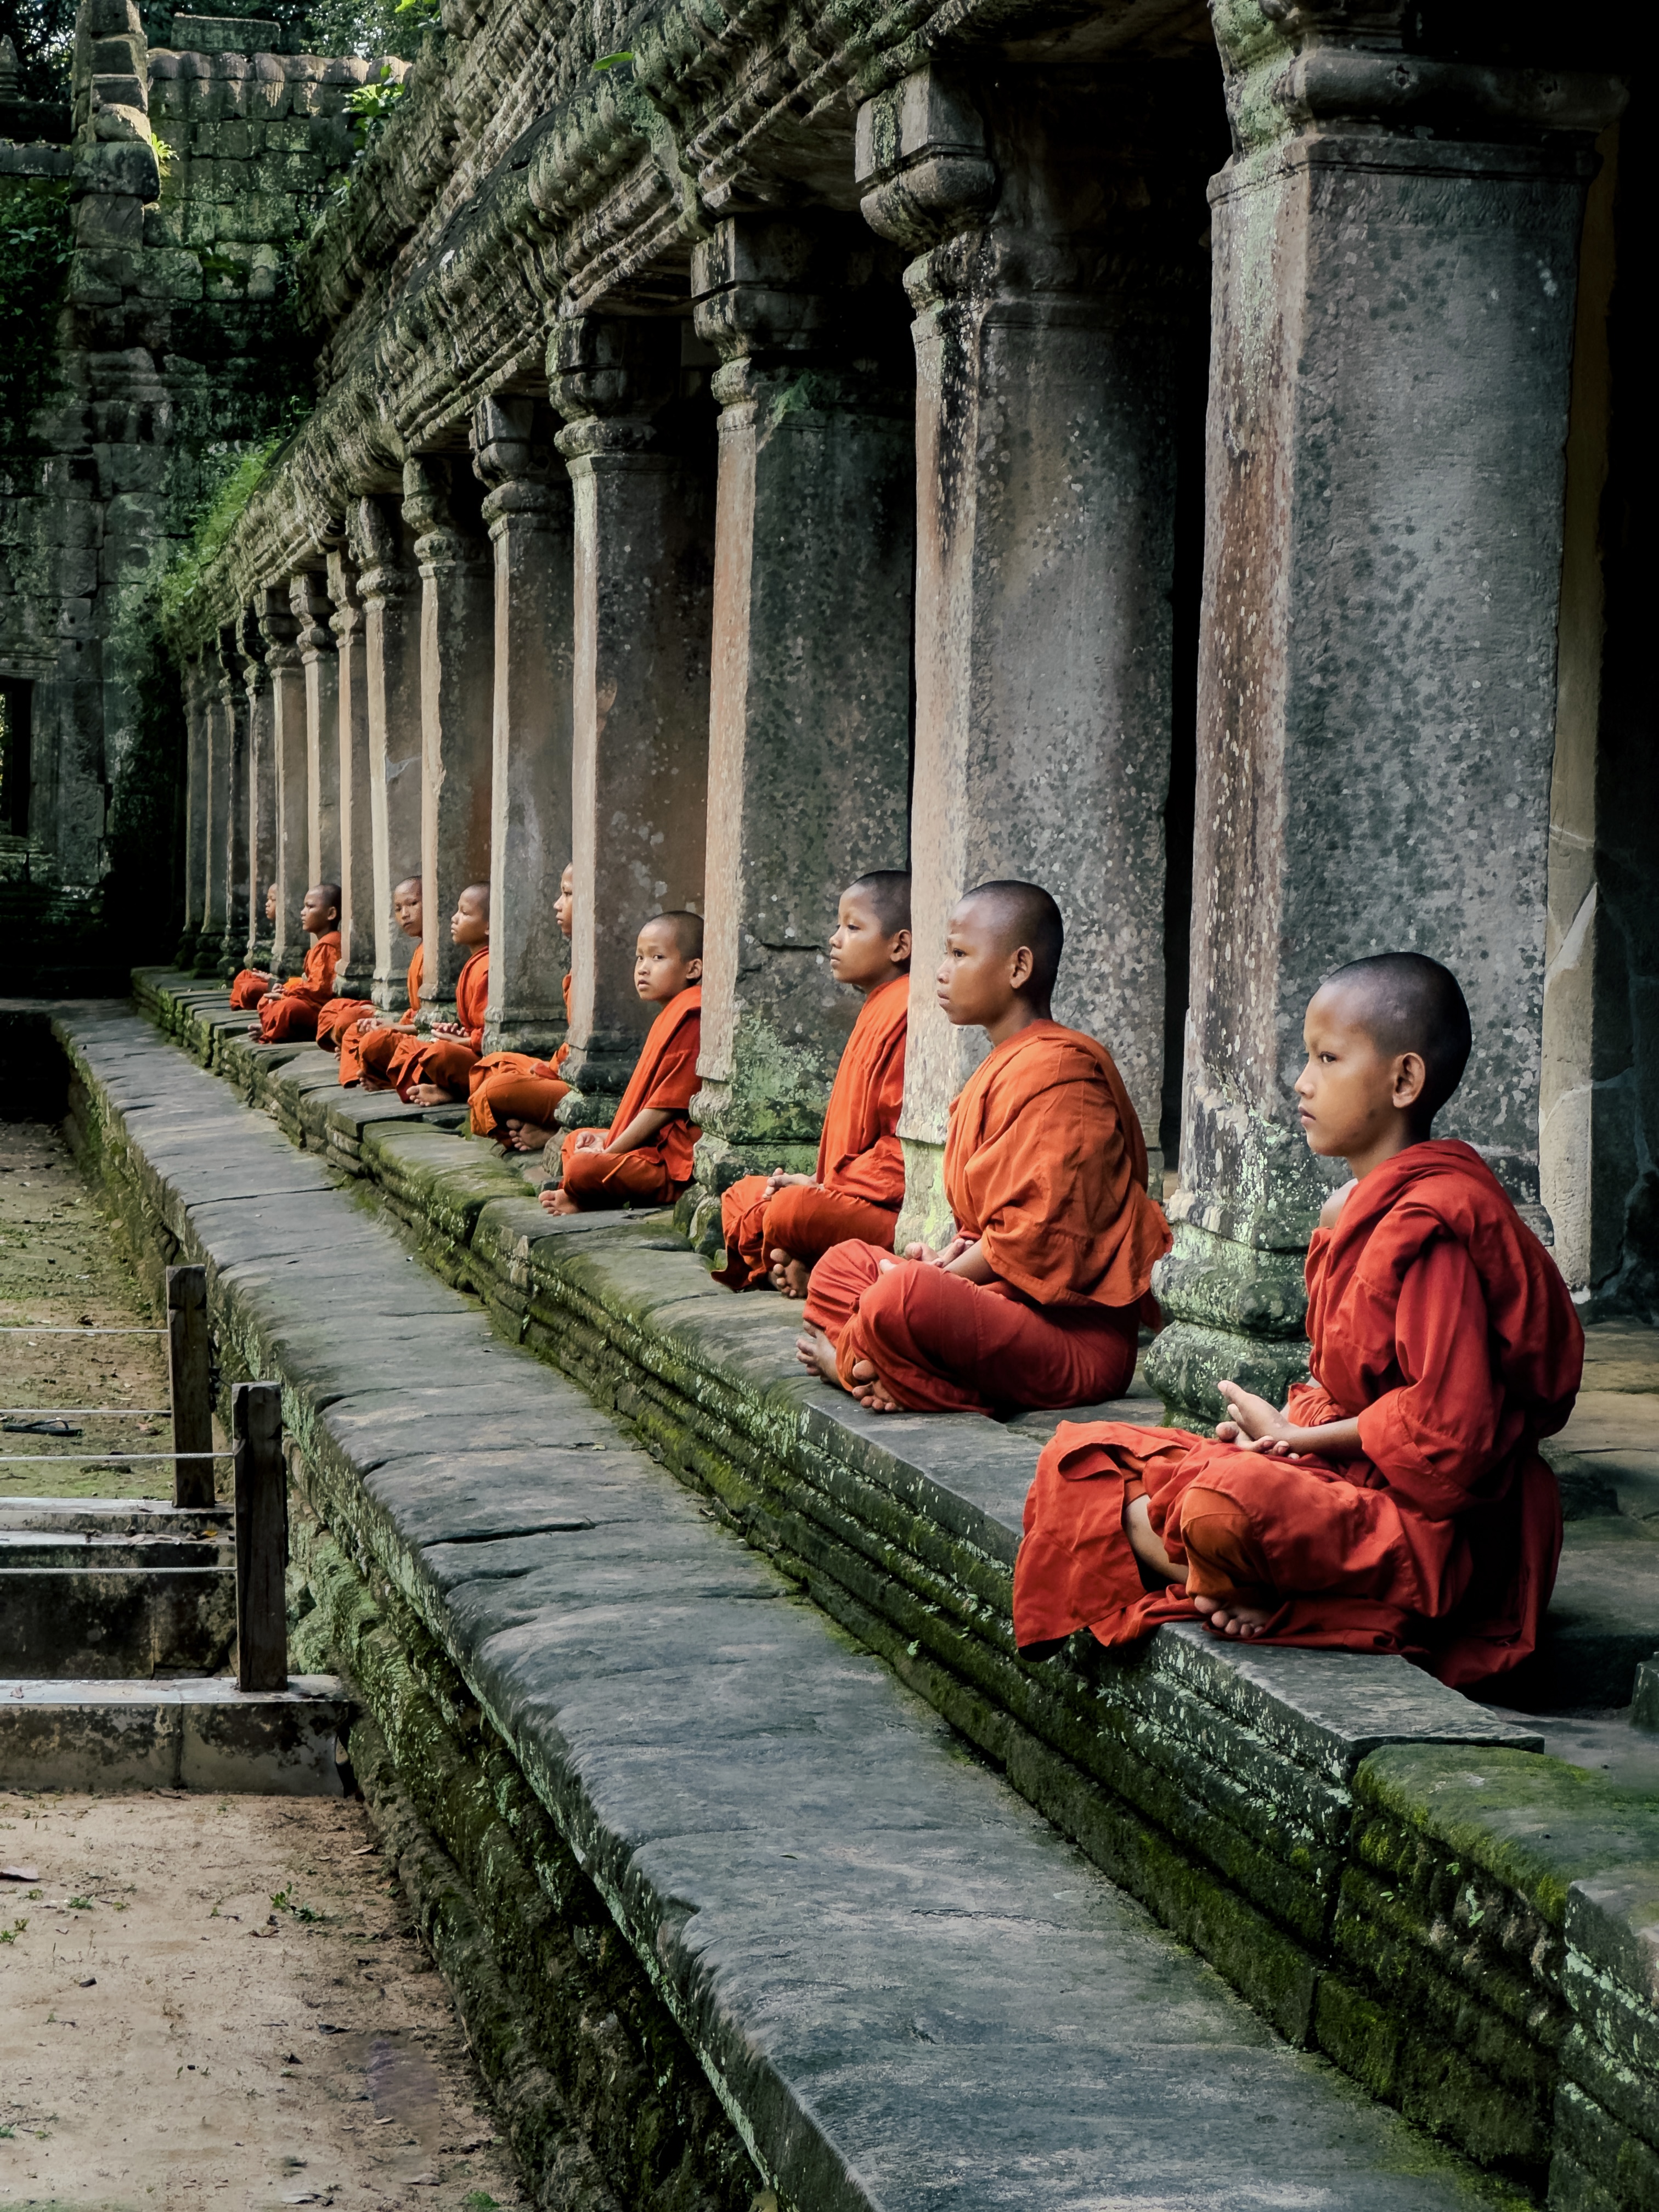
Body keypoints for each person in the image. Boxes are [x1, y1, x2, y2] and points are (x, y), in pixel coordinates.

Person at [1011, 952, 1584, 1692]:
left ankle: (1230, 1573)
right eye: (1306, 1058)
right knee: (1086, 1456)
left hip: (1438, 1530)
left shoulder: (1435, 1223)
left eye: (1327, 1059)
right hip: (1351, 1483)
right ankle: (1229, 1576)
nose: (1301, 1083)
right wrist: (1281, 1431)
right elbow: (1346, 1379)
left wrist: (1296, 1441)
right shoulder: (1347, 1213)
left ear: (1404, 1081)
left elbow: (1451, 1441)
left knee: (1223, 1505)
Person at [797, 879, 1169, 1415]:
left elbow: (1045, 1238)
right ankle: (884, 1363)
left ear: (1018, 968)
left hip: (1072, 1340)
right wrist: (951, 1253)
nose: (941, 971)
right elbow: (995, 1225)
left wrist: (937, 1278)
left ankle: (858, 1368)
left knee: (903, 1299)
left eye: (959, 954)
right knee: (841, 1267)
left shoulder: (1064, 1073)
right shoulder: (1002, 1065)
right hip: (1002, 1306)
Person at [714, 870, 911, 1295]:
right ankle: (807, 1262)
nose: (835, 939)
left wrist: (825, 1186)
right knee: (740, 1192)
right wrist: (820, 1183)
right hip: (846, 1191)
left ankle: (808, 1264)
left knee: (790, 1211)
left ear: (900, 945)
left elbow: (901, 1156)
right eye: (839, 926)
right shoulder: (879, 1007)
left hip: (886, 1210)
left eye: (853, 928)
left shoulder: (907, 1013)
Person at [540, 911, 701, 1215]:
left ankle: (586, 1195)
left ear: (693, 969)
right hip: (647, 1150)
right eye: (639, 958)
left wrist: (610, 1150)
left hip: (671, 1164)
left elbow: (663, 1109)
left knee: (584, 1166)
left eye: (657, 957)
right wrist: (604, 1137)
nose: (643, 969)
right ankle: (587, 1191)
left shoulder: (693, 1015)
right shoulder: (671, 1013)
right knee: (576, 1140)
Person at [470, 864, 575, 1149]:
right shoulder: (581, 963)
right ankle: (546, 1124)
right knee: (492, 1065)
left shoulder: (609, 974)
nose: (557, 904)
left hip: (588, 1087)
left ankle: (559, 1131)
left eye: (567, 894)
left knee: (497, 1089)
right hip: (563, 1070)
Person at [320, 876, 422, 1079]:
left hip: (431, 1037)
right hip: (412, 1025)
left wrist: (395, 1026)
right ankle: (366, 1069)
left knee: (371, 1041)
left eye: (412, 904)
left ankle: (373, 1073)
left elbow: (435, 1021)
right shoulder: (421, 949)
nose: (405, 914)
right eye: (398, 909)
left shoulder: (438, 955)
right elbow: (414, 1012)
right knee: (353, 1030)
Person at [247, 884, 341, 1043]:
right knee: (267, 1000)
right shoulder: (321, 945)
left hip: (323, 1009)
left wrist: (288, 993)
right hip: (312, 1003)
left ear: (331, 914)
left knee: (288, 1008)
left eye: (310, 907)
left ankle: (274, 1027)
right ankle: (273, 1027)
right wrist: (287, 988)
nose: (302, 912)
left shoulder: (329, 945)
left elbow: (321, 990)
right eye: (304, 906)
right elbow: (311, 982)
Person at [229, 885, 280, 1008]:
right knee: (244, 976)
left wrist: (275, 981)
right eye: (268, 900)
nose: (267, 904)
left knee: (250, 989)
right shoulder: (279, 931)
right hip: (279, 982)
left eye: (272, 900)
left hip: (289, 987)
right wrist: (269, 977)